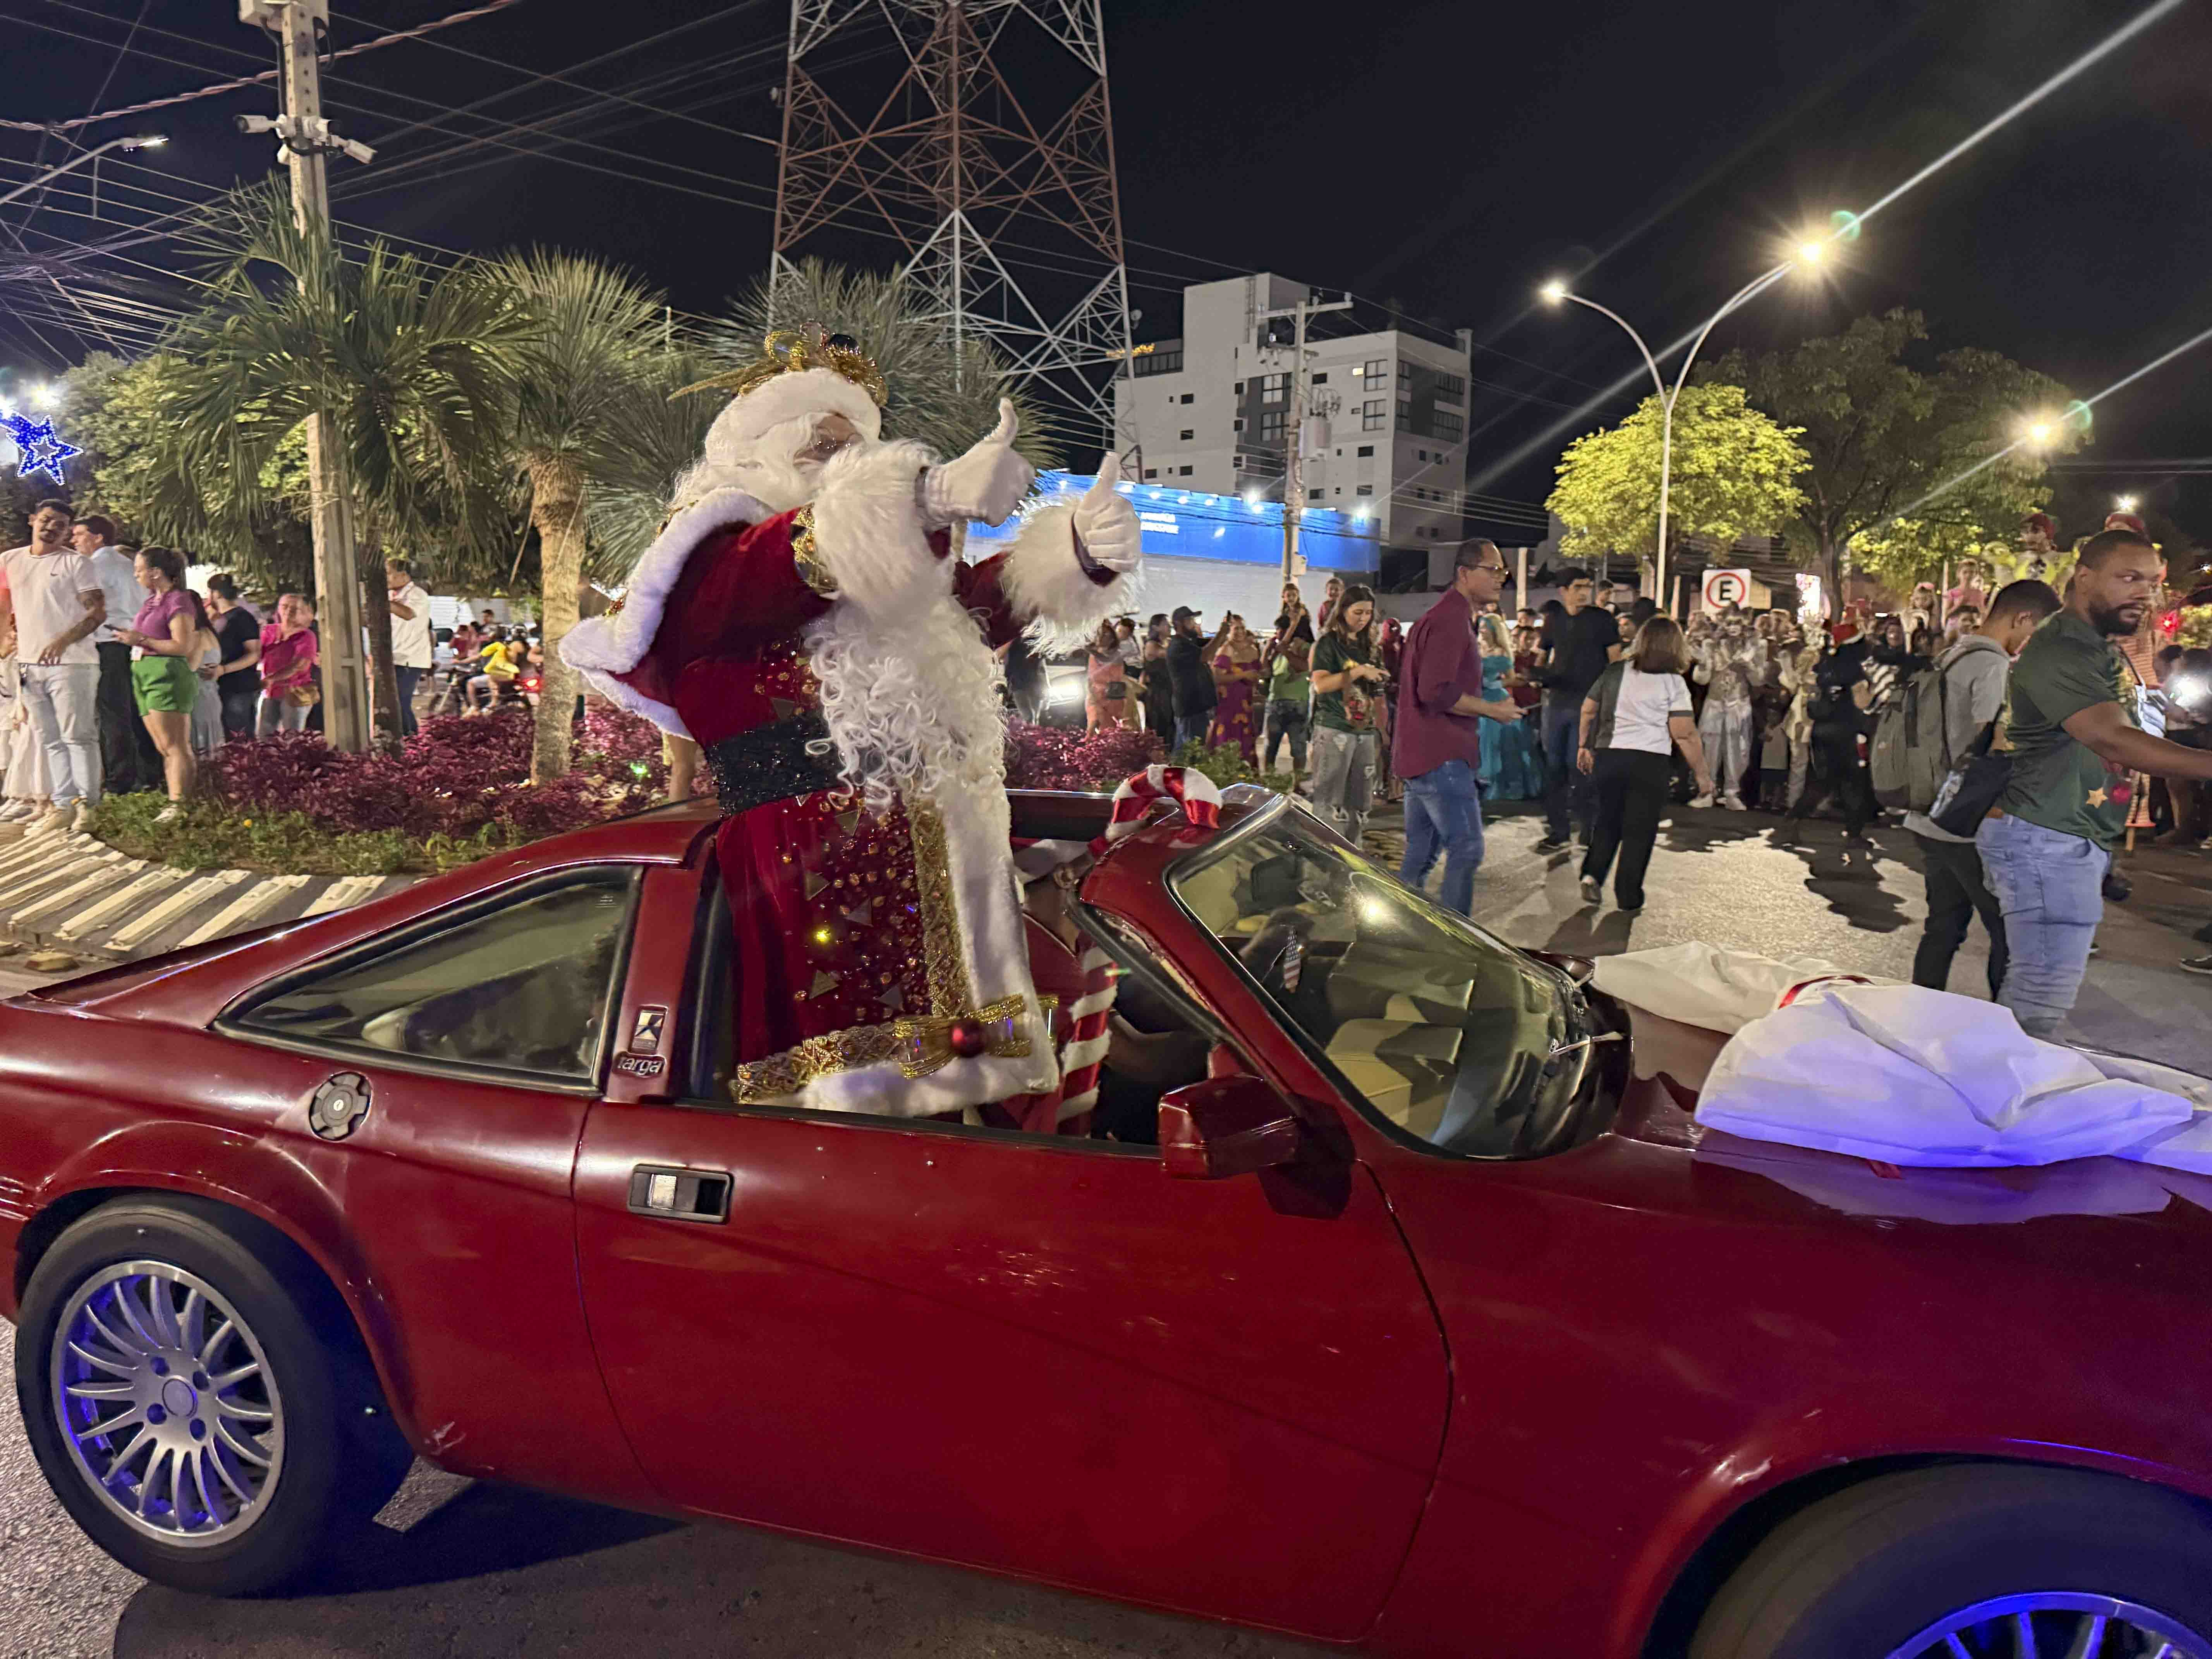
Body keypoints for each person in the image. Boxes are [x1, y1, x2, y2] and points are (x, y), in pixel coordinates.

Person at [559, 331, 1142, 1118]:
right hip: (816, 882)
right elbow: (777, 571)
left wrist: (1073, 553)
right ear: (756, 449)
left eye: (858, 448)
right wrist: (921, 498)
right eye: (823, 445)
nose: (845, 463)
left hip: (948, 866)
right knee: (861, 1124)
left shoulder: (866, 573)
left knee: (1001, 1079)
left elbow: (965, 615)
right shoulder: (709, 557)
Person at [1972, 529, 2212, 1020]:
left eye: (2151, 581)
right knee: (2040, 999)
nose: (2144, 593)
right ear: (2083, 577)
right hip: (2046, 835)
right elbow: (2112, 738)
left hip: (2065, 834)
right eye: (2128, 578)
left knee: (2041, 991)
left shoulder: (2097, 647)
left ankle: (2016, 1083)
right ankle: (2015, 1091)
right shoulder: (2064, 649)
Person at [1901, 579, 2063, 999]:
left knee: (1943, 927)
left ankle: (1917, 1012)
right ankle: (2006, 1028)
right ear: (2023, 618)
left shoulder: (1952, 653)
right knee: (2010, 932)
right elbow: (1993, 741)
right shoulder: (1992, 665)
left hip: (1927, 811)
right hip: (1966, 820)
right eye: (2037, 631)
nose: (2032, 643)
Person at [1394, 541, 1521, 914]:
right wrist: (1492, 710)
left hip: (1424, 754)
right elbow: (1435, 691)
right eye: (1493, 570)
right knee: (1466, 848)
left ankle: (1394, 932)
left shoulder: (1448, 617)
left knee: (1420, 856)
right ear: (1465, 574)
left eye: (1503, 571)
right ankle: (1459, 943)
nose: (1502, 578)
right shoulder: (1449, 619)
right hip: (1441, 755)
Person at [1576, 617, 1715, 912]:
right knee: (1640, 829)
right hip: (1650, 761)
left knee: (1608, 821)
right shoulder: (1674, 682)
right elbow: (1684, 733)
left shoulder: (1615, 672)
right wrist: (1702, 775)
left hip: (1610, 756)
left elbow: (1588, 710)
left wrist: (1583, 746)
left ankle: (1592, 874)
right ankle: (1628, 895)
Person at [0, 499, 106, 833]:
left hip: (73, 664)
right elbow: (5, 610)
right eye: (46, 520)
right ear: (33, 520)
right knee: (50, 739)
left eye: (60, 525)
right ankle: (63, 806)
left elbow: (97, 613)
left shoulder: (77, 563)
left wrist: (62, 641)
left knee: (79, 736)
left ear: (66, 531)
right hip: (29, 665)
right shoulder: (10, 560)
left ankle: (89, 807)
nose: (51, 528)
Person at [110, 546, 207, 821]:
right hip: (145, 673)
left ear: (156, 573)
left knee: (175, 744)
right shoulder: (152, 601)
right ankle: (174, 800)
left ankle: (180, 805)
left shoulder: (179, 601)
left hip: (166, 675)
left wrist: (141, 640)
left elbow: (183, 645)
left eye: (139, 570)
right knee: (164, 746)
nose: (136, 575)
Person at [72, 512, 158, 796]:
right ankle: (149, 774)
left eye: (79, 534)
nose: (74, 540)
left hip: (109, 642)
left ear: (98, 537)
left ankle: (120, 781)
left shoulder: (92, 566)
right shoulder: (128, 564)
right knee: (135, 712)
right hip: (134, 643)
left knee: (112, 714)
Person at [1533, 573, 1619, 852]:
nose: (1584, 592)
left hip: (1589, 705)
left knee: (1581, 767)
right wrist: (1538, 675)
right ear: (1563, 591)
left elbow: (1615, 663)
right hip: (1557, 702)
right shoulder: (1554, 620)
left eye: (1587, 587)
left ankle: (1589, 829)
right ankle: (1559, 831)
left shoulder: (1602, 620)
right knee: (1554, 768)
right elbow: (1542, 655)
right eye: (1578, 587)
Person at [1782, 623, 1875, 846]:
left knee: (1826, 780)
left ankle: (1795, 817)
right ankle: (1853, 832)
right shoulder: (1854, 669)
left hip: (1821, 729)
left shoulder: (1825, 664)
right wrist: (1874, 690)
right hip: (1844, 732)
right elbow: (1862, 702)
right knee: (1851, 781)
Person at [1309, 582, 1386, 846]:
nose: (1363, 619)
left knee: (1361, 805)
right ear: (1342, 611)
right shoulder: (1328, 645)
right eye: (1358, 612)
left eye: (1368, 613)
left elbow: (1377, 693)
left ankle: (1353, 860)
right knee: (1329, 804)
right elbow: (1320, 685)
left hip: (1365, 732)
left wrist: (1381, 729)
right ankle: (1322, 864)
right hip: (1334, 729)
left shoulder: (1372, 648)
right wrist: (1358, 671)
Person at [1690, 607, 1766, 809]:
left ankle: (1733, 792)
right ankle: (1707, 791)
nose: (1733, 628)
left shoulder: (1753, 647)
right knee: (1710, 747)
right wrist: (1704, 665)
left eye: (1737, 624)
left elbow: (1759, 681)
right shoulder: (1711, 645)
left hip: (1739, 702)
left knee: (1739, 748)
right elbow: (1702, 679)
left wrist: (1749, 667)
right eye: (1730, 623)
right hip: (1715, 701)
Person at [1475, 610, 1542, 802]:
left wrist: (1492, 684)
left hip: (1496, 698)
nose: (1482, 630)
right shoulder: (1475, 648)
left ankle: (1504, 785)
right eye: (1480, 627)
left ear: (1494, 631)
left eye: (1485, 627)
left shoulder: (1502, 653)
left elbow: (1512, 680)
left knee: (1502, 744)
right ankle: (1481, 783)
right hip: (1478, 699)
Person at [201, 574, 263, 741]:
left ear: (217, 594)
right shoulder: (221, 619)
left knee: (239, 740)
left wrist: (224, 669)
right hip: (222, 686)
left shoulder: (242, 618)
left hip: (239, 688)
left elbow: (254, 654)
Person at [1261, 587, 1315, 775]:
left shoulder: (1305, 647)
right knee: (1271, 746)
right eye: (1276, 631)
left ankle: (1298, 782)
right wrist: (1267, 653)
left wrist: (1286, 652)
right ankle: (1269, 778)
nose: (1277, 634)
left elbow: (1304, 667)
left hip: (1297, 703)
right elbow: (1265, 673)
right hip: (1275, 701)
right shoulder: (1275, 649)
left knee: (1298, 748)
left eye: (1280, 630)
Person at [257, 592, 320, 737]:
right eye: (285, 606)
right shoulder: (269, 631)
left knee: (292, 738)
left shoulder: (307, 636)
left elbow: (300, 665)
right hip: (270, 693)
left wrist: (272, 679)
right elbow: (257, 655)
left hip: (295, 694)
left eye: (295, 608)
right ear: (278, 609)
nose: (288, 611)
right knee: (264, 736)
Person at [1165, 605, 1226, 750]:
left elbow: (1209, 646)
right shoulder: (1178, 646)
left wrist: (1222, 635)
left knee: (1188, 753)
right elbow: (1205, 655)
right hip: (1190, 709)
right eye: (1190, 620)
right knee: (1191, 754)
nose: (1195, 624)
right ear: (1179, 624)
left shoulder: (1188, 643)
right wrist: (1222, 632)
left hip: (1196, 708)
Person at [385, 558, 433, 739]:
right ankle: (408, 739)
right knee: (395, 702)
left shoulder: (418, 595)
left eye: (389, 573)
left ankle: (411, 739)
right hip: (393, 656)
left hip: (410, 658)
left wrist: (380, 600)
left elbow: (408, 613)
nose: (385, 578)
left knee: (401, 701)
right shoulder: (392, 596)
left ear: (404, 575)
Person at [1207, 613, 1262, 759]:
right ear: (1229, 631)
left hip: (1246, 705)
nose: (1240, 632)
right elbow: (1217, 678)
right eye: (1236, 629)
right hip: (1228, 707)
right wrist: (1243, 675)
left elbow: (1258, 672)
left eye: (1243, 628)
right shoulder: (1225, 650)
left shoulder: (1253, 650)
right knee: (1228, 746)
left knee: (1246, 745)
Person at [1083, 619, 1135, 731]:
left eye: (1106, 633)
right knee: (1094, 731)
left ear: (1112, 638)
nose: (1102, 637)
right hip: (1095, 699)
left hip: (1114, 700)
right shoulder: (1093, 654)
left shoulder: (1116, 655)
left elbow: (1108, 660)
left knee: (1112, 734)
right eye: (1099, 634)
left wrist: (1092, 652)